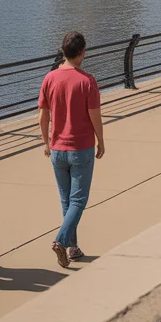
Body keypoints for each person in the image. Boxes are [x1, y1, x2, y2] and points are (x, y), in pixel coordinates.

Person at [38, 31, 105, 268]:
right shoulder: (87, 81)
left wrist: (46, 143)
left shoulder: (49, 78)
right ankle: (60, 240)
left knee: (66, 200)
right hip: (81, 148)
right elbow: (94, 116)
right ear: (82, 52)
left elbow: (43, 116)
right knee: (78, 200)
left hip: (57, 148)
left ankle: (73, 248)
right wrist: (101, 140)